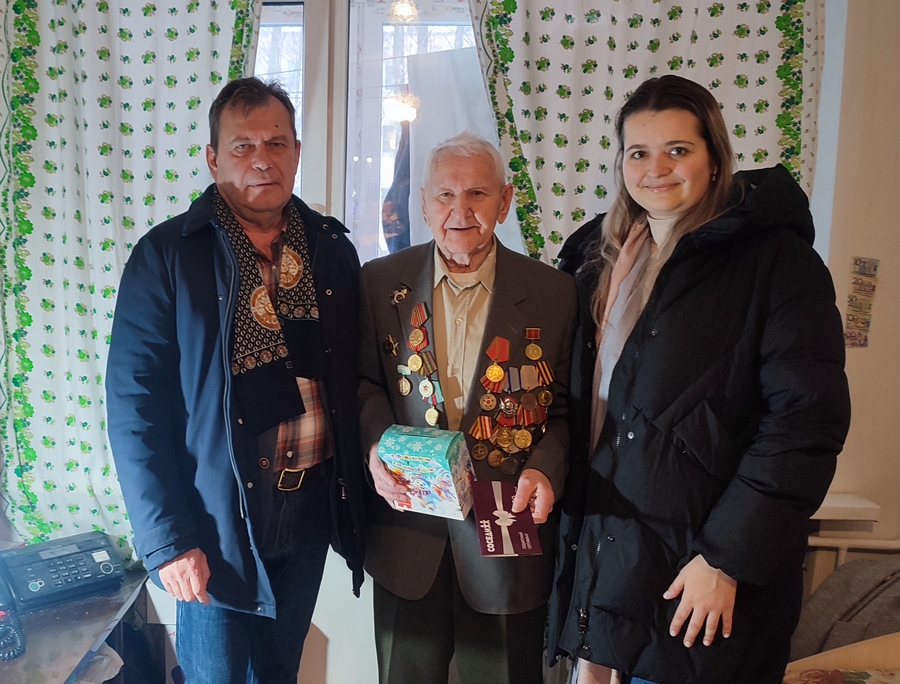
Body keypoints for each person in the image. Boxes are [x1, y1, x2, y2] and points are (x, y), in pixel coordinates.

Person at [548, 75, 851, 684]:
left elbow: (804, 426)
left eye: (678, 150)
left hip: (702, 580)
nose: (656, 168)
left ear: (715, 159)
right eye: (638, 152)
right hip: (609, 568)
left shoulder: (778, 264)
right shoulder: (595, 262)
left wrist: (726, 558)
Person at [106, 77, 366, 684]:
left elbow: (350, 380)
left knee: (279, 675)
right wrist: (167, 541)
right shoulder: (168, 255)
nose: (261, 159)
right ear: (213, 158)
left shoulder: (329, 250)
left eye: (275, 143)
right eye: (242, 145)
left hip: (308, 511)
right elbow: (134, 408)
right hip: (215, 523)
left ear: (296, 152)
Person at [358, 132, 577, 684]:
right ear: (424, 203)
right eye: (445, 195)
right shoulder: (379, 282)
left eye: (478, 194)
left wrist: (545, 471)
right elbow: (364, 385)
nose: (461, 211)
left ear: (504, 201)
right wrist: (376, 446)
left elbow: (565, 412)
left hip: (507, 535)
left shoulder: (554, 292)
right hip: (408, 535)